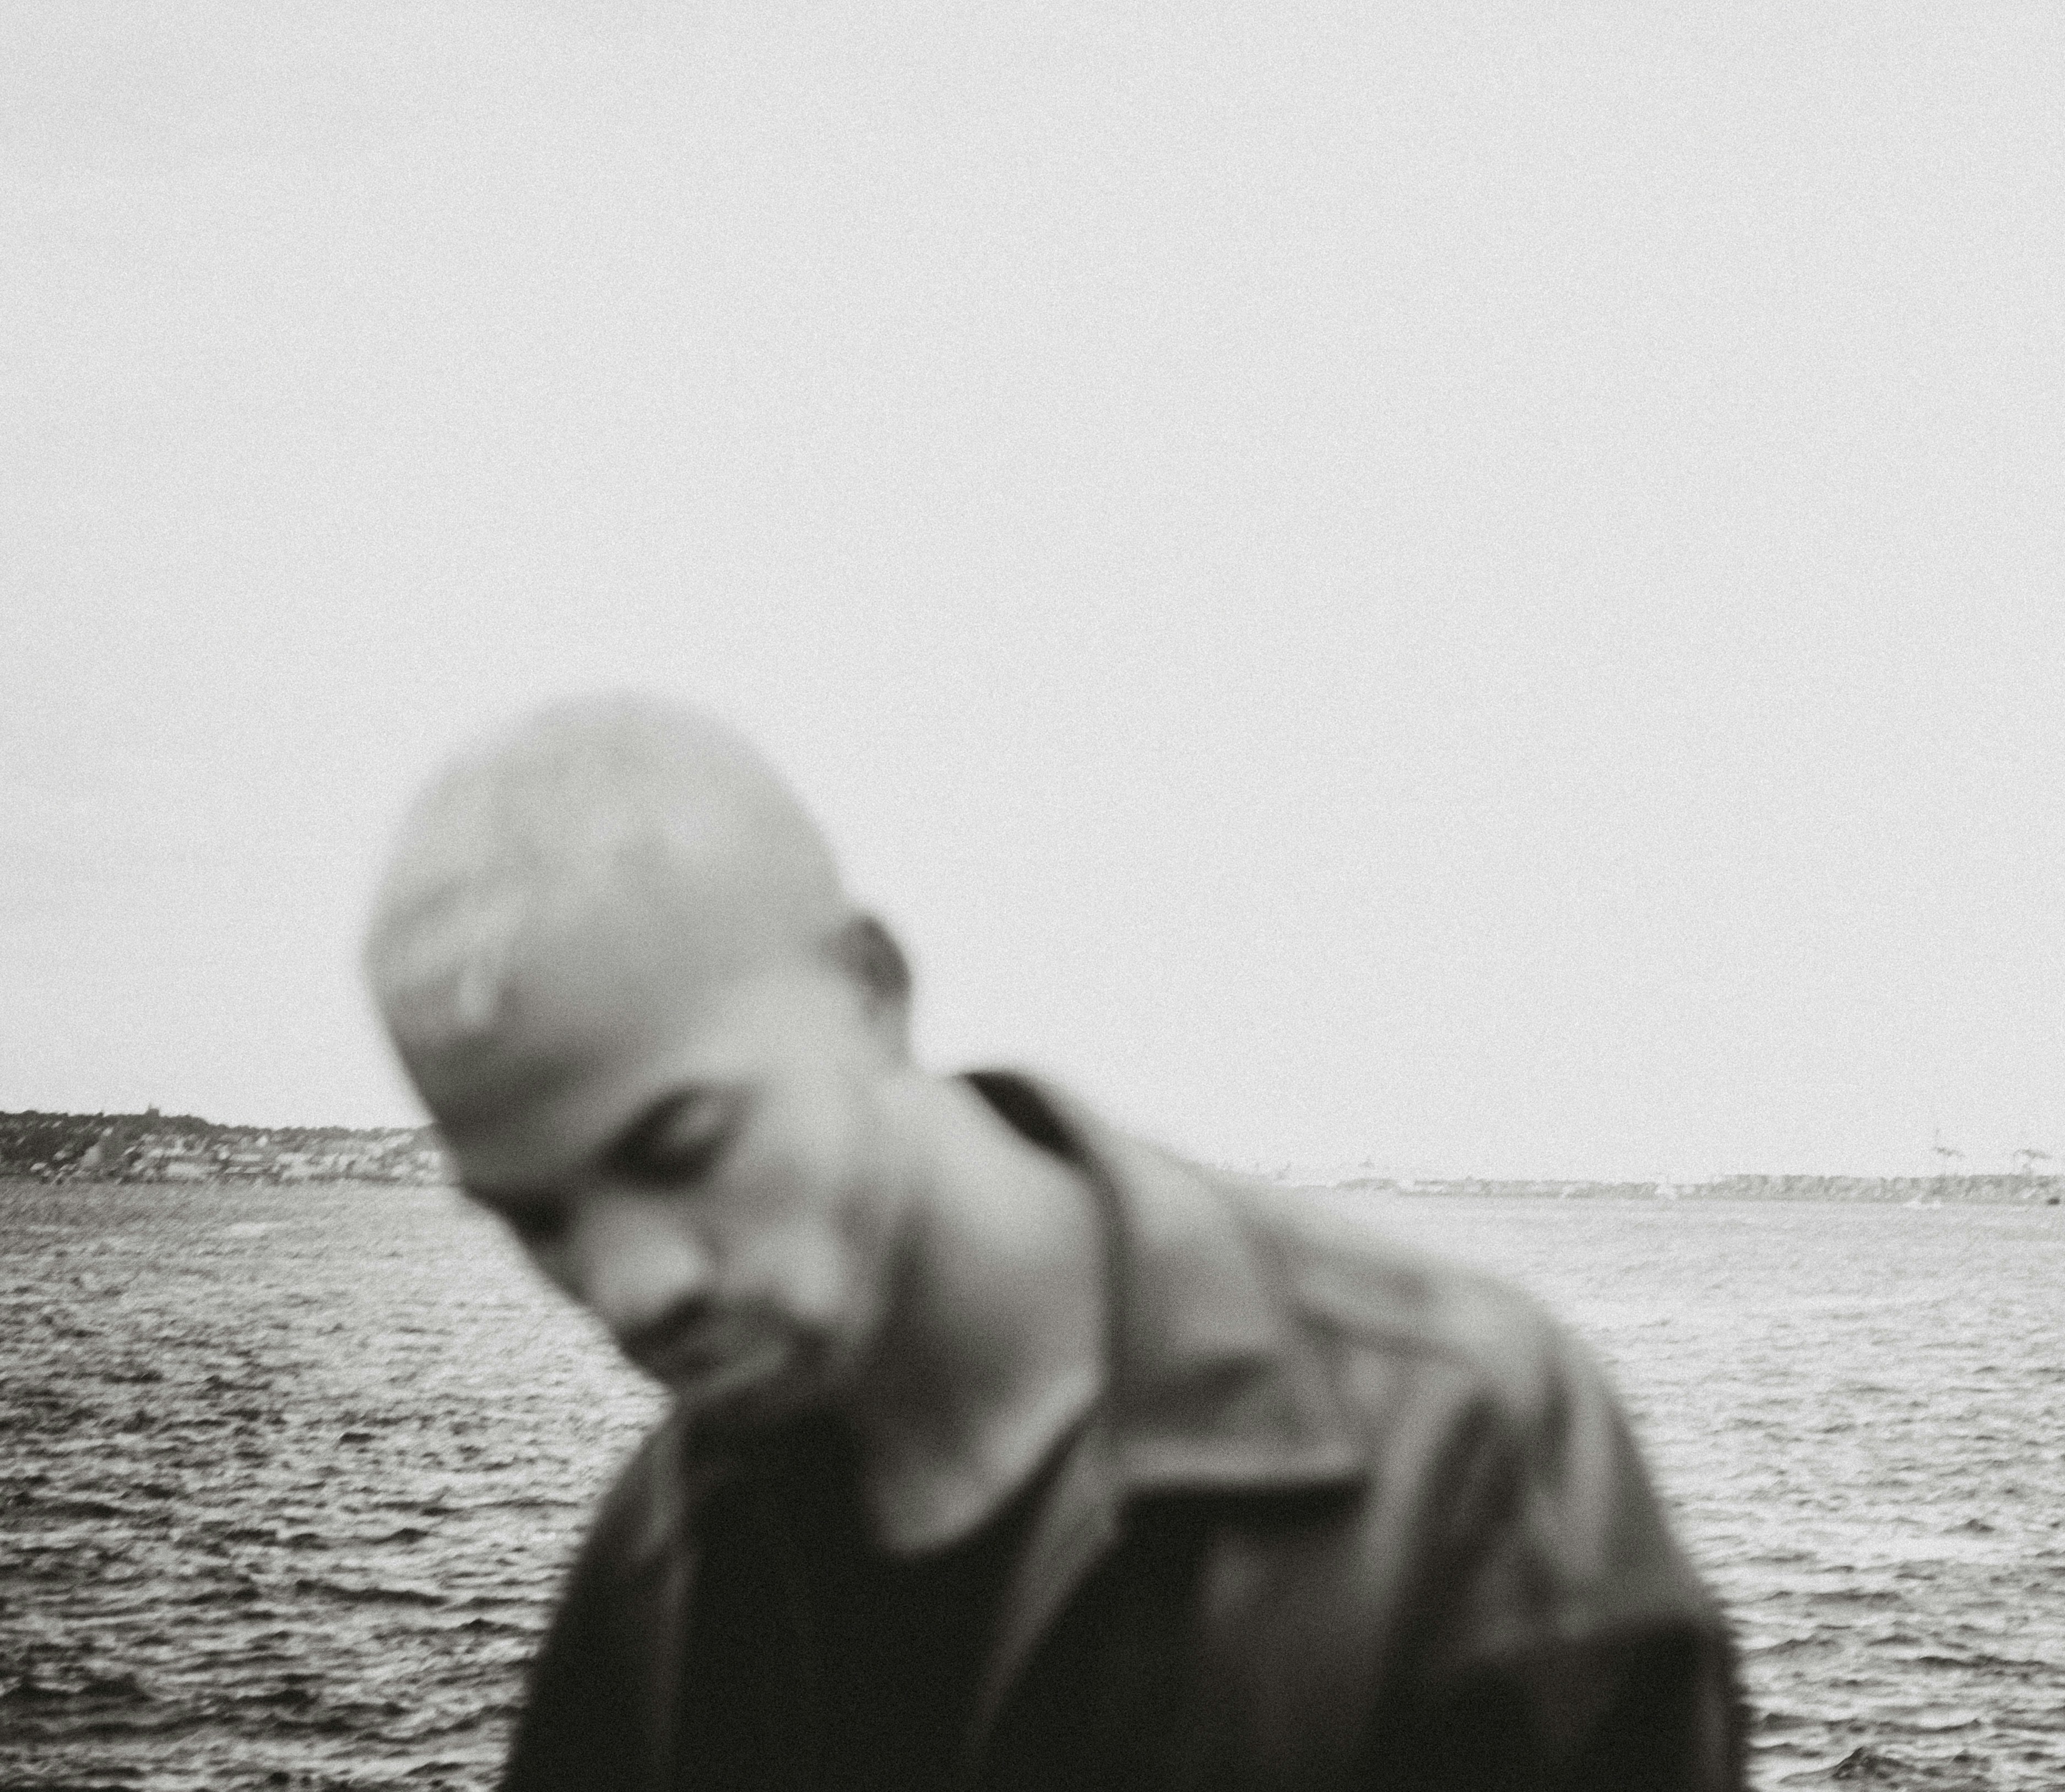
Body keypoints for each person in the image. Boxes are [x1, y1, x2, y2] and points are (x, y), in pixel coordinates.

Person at [361, 694, 1744, 1792]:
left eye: (683, 1148)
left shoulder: (1457, 1448)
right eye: (536, 1218)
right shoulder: (660, 1560)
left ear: (870, 991)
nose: (631, 1286)